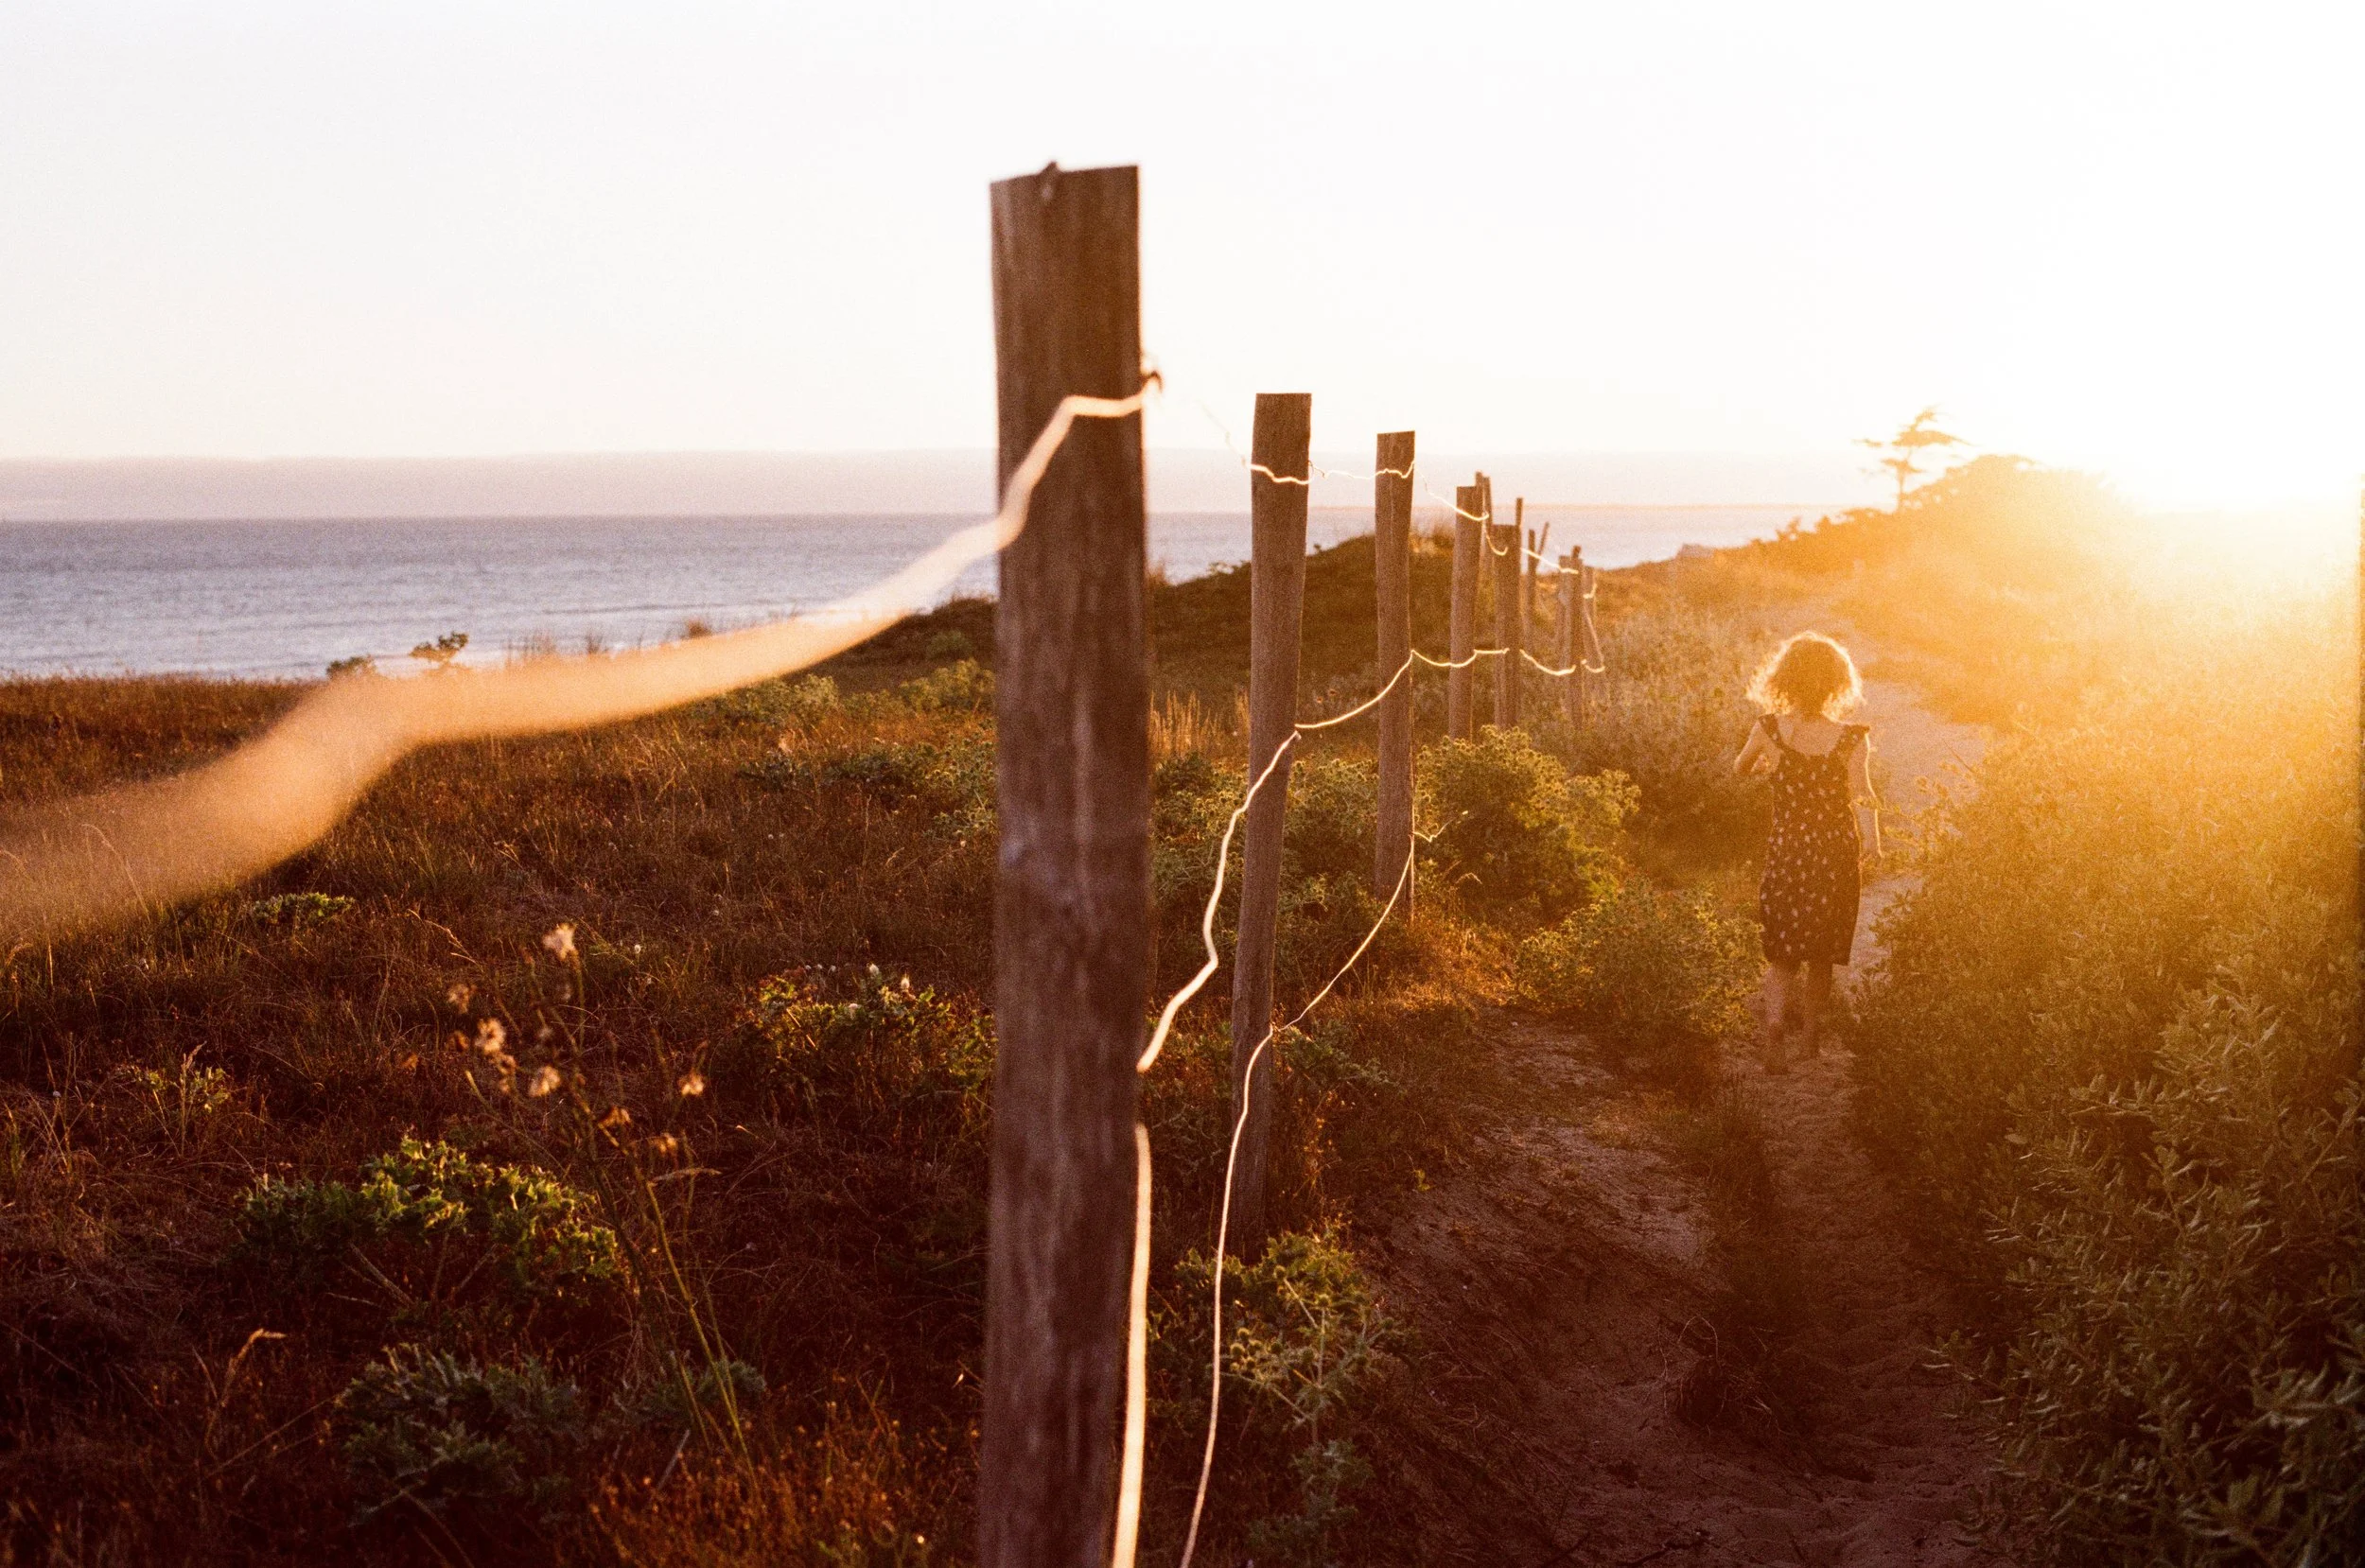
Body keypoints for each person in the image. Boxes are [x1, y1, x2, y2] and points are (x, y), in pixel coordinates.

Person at [1731, 632, 1882, 1072]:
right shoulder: (1851, 739)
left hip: (1788, 850)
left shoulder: (1770, 729)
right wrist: (1873, 841)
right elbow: (1863, 795)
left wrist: (1766, 765)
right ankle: (1810, 1038)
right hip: (1835, 851)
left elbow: (1739, 768)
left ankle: (1775, 1025)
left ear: (1785, 679)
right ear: (1838, 683)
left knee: (1782, 953)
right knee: (1822, 952)